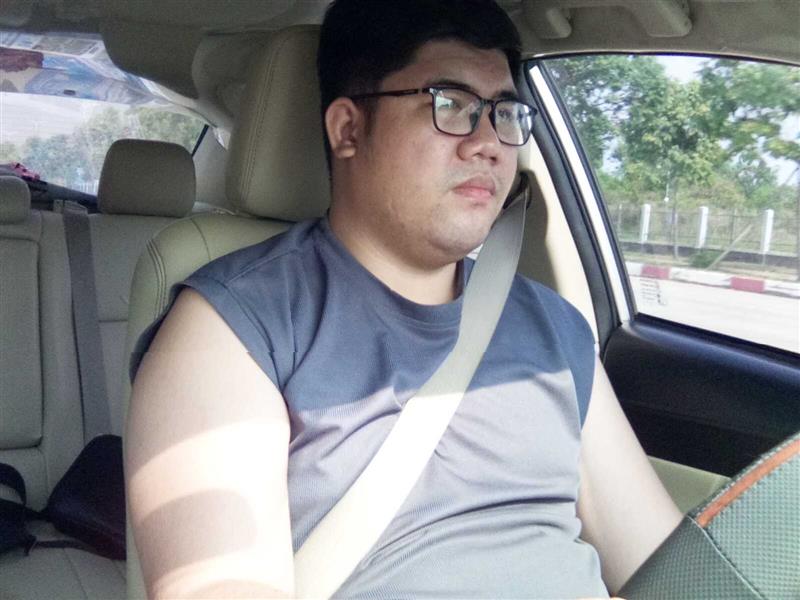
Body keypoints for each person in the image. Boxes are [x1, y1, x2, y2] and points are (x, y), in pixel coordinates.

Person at [126, 1, 683, 598]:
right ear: (348, 129)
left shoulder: (555, 328)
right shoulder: (234, 326)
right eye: (452, 105)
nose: (490, 144)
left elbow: (673, 575)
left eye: (505, 113)